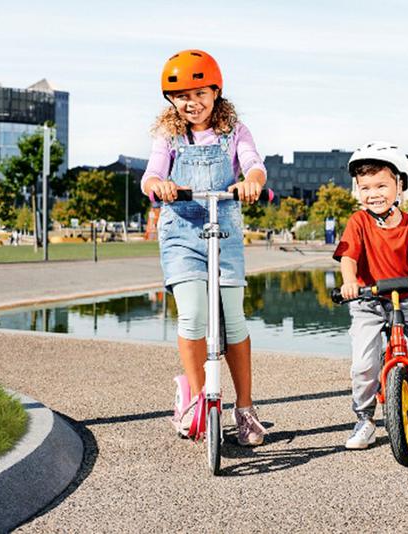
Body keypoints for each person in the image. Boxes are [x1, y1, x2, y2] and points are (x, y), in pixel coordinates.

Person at [141, 49, 267, 446]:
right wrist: (157, 185)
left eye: (199, 93)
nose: (191, 103)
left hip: (224, 231)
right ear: (171, 101)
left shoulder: (235, 132)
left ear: (216, 91)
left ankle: (245, 409)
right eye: (181, 96)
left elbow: (253, 164)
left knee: (234, 322)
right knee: (193, 316)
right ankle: (196, 400)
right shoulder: (169, 136)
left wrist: (253, 181)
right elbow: (152, 174)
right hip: (181, 232)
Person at [334, 141, 408, 449]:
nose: (373, 194)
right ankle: (364, 419)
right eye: (365, 188)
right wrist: (349, 282)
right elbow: (348, 257)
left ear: (400, 184)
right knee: (364, 365)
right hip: (368, 301)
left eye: (381, 185)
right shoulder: (359, 222)